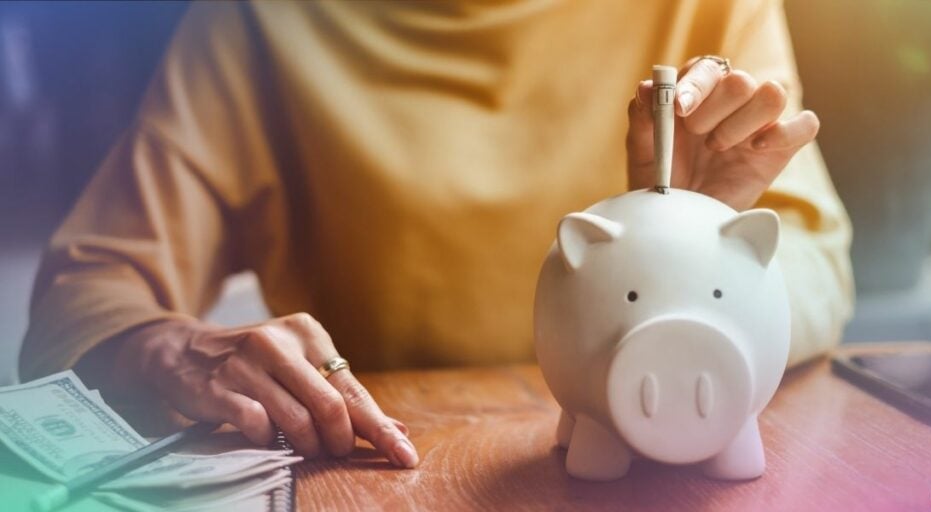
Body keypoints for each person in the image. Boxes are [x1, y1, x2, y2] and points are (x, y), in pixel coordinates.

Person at [19, 0, 852, 470]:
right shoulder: (257, 22)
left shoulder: (706, 8)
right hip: (389, 472)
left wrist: (695, 241)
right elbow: (83, 293)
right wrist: (172, 347)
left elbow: (814, 263)